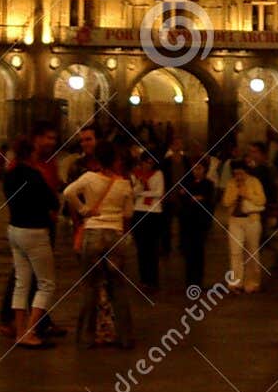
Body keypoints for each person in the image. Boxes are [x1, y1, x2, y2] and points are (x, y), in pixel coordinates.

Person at [63, 140, 134, 347]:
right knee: (118, 288)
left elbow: (68, 193)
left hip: (93, 233)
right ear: (115, 160)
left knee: (90, 287)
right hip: (115, 236)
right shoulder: (124, 183)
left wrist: (85, 210)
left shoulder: (88, 178)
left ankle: (85, 338)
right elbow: (128, 213)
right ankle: (126, 337)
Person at [0, 120, 64, 338]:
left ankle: (24, 325)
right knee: (44, 282)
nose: (51, 143)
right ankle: (28, 329)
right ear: (35, 141)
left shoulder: (16, 170)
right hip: (36, 227)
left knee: (23, 280)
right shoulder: (33, 172)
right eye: (47, 137)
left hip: (18, 227)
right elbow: (51, 200)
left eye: (54, 139)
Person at [174, 157, 217, 289]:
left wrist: (194, 198)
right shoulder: (186, 182)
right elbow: (183, 198)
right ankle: (189, 280)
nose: (196, 171)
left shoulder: (208, 184)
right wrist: (193, 198)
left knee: (199, 252)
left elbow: (208, 202)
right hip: (187, 222)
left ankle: (198, 280)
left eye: (199, 168)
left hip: (200, 223)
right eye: (194, 169)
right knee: (188, 252)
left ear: (204, 169)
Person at [225, 164, 266, 292]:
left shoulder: (254, 182)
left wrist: (247, 194)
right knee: (235, 252)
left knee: (252, 252)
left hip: (251, 220)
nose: (238, 177)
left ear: (246, 172)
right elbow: (226, 201)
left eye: (241, 173)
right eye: (236, 174)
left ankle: (253, 282)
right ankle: (236, 282)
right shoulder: (231, 183)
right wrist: (236, 193)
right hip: (235, 221)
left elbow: (261, 200)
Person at [130, 152, 166, 292]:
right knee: (141, 249)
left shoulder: (158, 174)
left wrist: (142, 192)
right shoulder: (136, 175)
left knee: (152, 248)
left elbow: (159, 193)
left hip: (154, 213)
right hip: (139, 211)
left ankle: (153, 280)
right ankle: (144, 279)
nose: (148, 165)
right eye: (146, 162)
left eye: (151, 162)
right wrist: (140, 185)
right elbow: (133, 192)